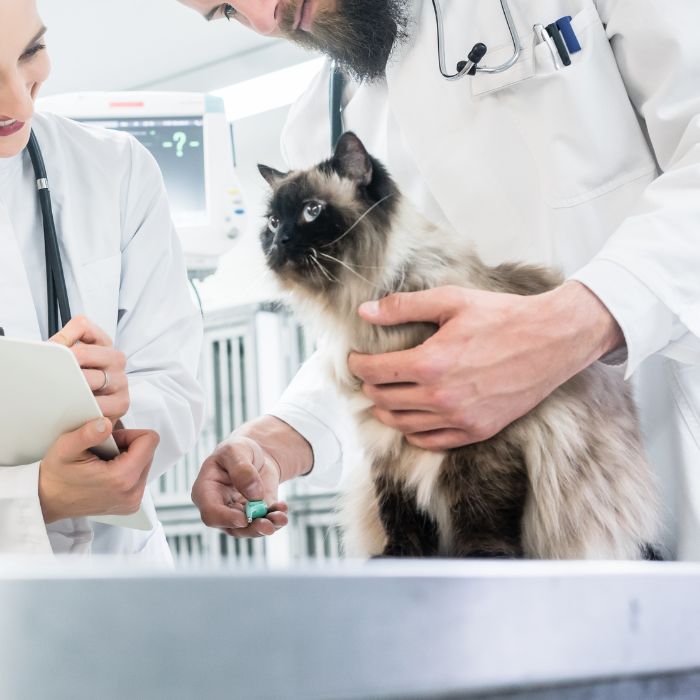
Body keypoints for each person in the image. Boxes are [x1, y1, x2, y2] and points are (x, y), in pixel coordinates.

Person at [184, 0, 700, 559]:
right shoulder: (322, 119)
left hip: (660, 482)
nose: (264, 21)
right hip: (474, 548)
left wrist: (575, 325)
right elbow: (379, 329)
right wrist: (283, 435)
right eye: (228, 13)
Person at [0, 0, 204, 559]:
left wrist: (115, 414)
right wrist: (34, 497)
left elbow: (175, 384)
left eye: (31, 52)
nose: (18, 99)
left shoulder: (116, 170)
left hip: (122, 581)